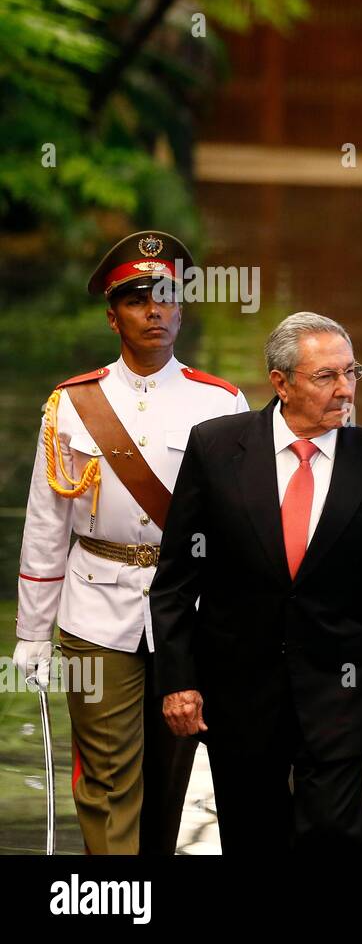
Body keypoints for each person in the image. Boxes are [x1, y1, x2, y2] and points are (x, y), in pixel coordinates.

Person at [149, 312, 362, 853]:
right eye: (326, 376)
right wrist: (177, 680)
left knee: (334, 831)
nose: (345, 389)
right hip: (238, 691)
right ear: (280, 382)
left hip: (339, 689)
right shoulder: (215, 448)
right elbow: (177, 578)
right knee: (252, 833)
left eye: (351, 373)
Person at [12, 230, 249, 854]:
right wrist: (32, 635)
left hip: (191, 614)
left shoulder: (221, 404)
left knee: (171, 780)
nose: (156, 310)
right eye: (139, 298)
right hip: (97, 607)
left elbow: (243, 530)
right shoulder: (72, 404)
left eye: (168, 296)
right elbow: (46, 525)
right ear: (112, 313)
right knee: (109, 779)